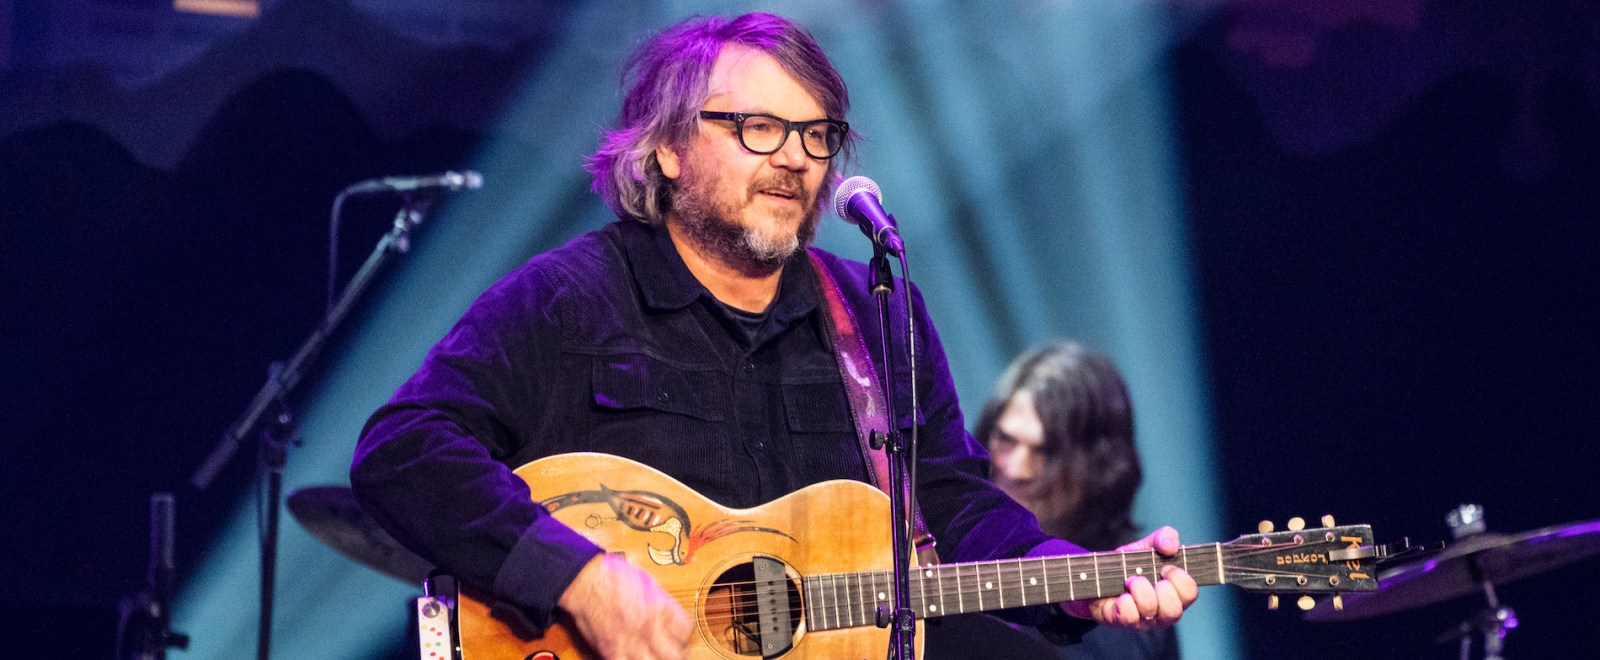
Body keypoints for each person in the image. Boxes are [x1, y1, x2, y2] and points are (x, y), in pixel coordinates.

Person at [350, 13, 1196, 660]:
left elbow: (951, 503)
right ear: (670, 149)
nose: (794, 159)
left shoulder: (876, 318)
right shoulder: (569, 298)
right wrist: (576, 576)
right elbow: (405, 450)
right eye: (758, 128)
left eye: (816, 135)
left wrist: (1072, 578)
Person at [972, 342, 1181, 658]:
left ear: (1101, 467)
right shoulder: (936, 549)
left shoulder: (1133, 607)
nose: (1015, 469)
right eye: (1006, 440)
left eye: (1045, 452)